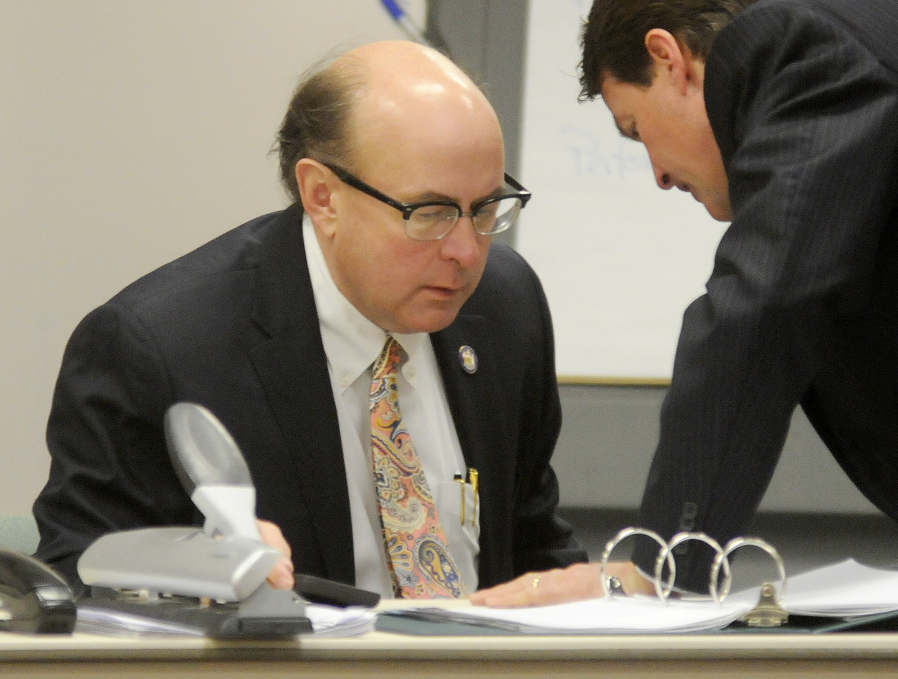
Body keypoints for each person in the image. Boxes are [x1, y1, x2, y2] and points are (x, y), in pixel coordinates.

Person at [472, 0, 898, 606]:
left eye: (635, 130)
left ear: (670, 58)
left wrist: (659, 565)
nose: (658, 174)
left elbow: (764, 305)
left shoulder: (793, 44)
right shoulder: (889, 53)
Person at [33, 39, 585, 596]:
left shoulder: (505, 307)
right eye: (431, 213)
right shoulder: (160, 350)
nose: (466, 251)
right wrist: (191, 568)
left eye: (487, 207)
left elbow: (533, 543)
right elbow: (72, 581)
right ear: (323, 196)